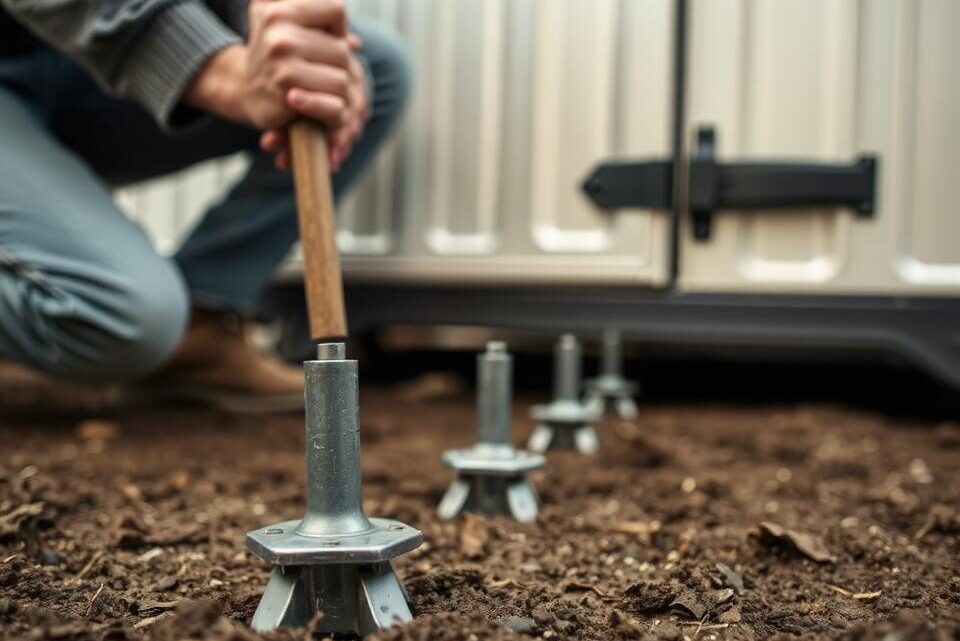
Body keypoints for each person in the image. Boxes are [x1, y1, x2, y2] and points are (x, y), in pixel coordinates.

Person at [0, 0, 410, 411]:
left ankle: (198, 332)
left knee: (358, 70)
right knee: (119, 317)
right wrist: (228, 74)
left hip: (69, 60)